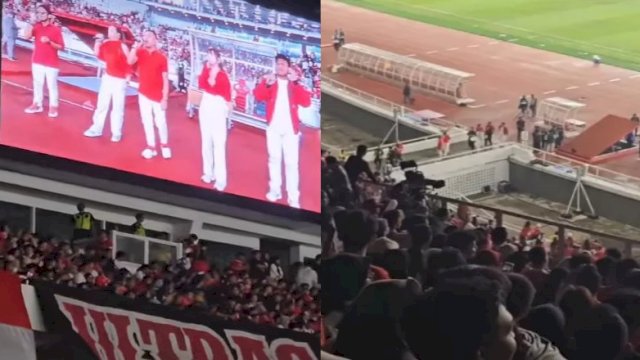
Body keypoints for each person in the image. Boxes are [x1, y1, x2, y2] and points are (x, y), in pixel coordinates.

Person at [253, 53, 311, 208]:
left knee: (291, 163)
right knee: (274, 159)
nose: (279, 66)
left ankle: (293, 197)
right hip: (273, 127)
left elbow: (306, 102)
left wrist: (297, 83)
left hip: (290, 129)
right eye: (277, 63)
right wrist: (266, 84)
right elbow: (258, 96)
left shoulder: (295, 83)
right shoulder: (269, 80)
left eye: (283, 64)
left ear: (288, 67)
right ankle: (275, 190)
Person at [127, 30, 171, 160]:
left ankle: (164, 145)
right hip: (143, 93)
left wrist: (165, 98)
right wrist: (135, 47)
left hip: (158, 95)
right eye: (144, 36)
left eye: (149, 36)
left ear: (155, 39)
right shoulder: (140, 52)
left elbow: (165, 79)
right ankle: (151, 146)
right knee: (146, 121)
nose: (146, 38)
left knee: (161, 122)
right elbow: (130, 61)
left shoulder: (162, 57)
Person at [84, 26, 130, 142]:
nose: (109, 32)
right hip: (108, 78)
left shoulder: (122, 46)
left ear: (118, 35)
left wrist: (127, 78)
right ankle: (96, 128)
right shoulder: (106, 44)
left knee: (117, 107)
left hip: (119, 80)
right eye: (108, 30)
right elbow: (97, 54)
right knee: (102, 104)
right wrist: (97, 41)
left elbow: (129, 63)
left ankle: (116, 132)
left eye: (112, 31)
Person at [197, 48, 232, 191]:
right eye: (208, 54)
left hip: (217, 107)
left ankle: (221, 179)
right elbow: (202, 84)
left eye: (211, 55)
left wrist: (227, 113)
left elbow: (224, 93)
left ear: (217, 59)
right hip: (206, 104)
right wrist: (207, 69)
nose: (208, 57)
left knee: (218, 145)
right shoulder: (206, 69)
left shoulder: (223, 75)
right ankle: (208, 173)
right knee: (206, 142)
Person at [22, 4, 65, 118]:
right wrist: (30, 23)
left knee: (52, 86)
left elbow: (61, 47)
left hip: (51, 63)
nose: (40, 15)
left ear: (48, 14)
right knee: (37, 84)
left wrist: (49, 42)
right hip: (37, 61)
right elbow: (26, 36)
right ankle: (37, 104)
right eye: (38, 13)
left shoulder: (56, 30)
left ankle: (53, 106)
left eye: (43, 13)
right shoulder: (36, 26)